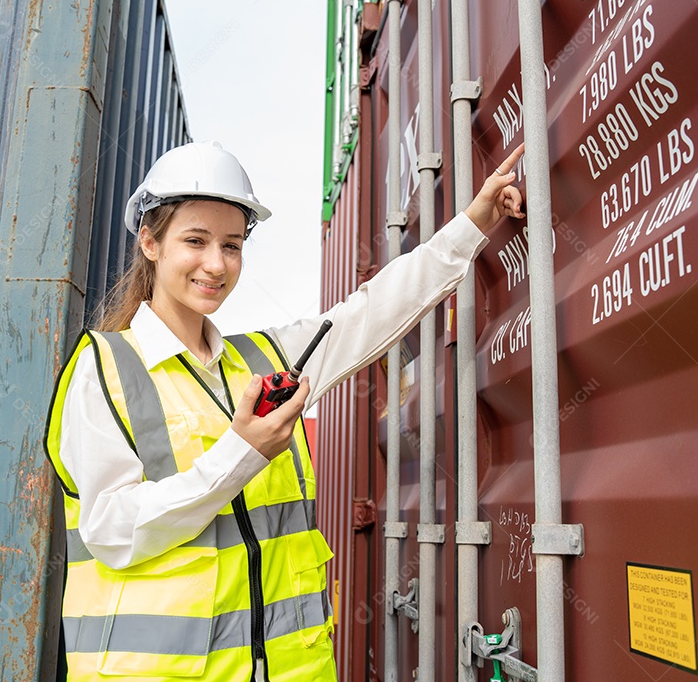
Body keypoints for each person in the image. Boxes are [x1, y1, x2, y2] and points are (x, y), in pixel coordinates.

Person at [44, 140, 525, 681]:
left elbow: (369, 313)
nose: (216, 264)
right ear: (150, 243)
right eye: (195, 241)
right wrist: (240, 453)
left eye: (231, 245)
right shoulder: (102, 368)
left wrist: (474, 222)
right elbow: (112, 531)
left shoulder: (268, 360)